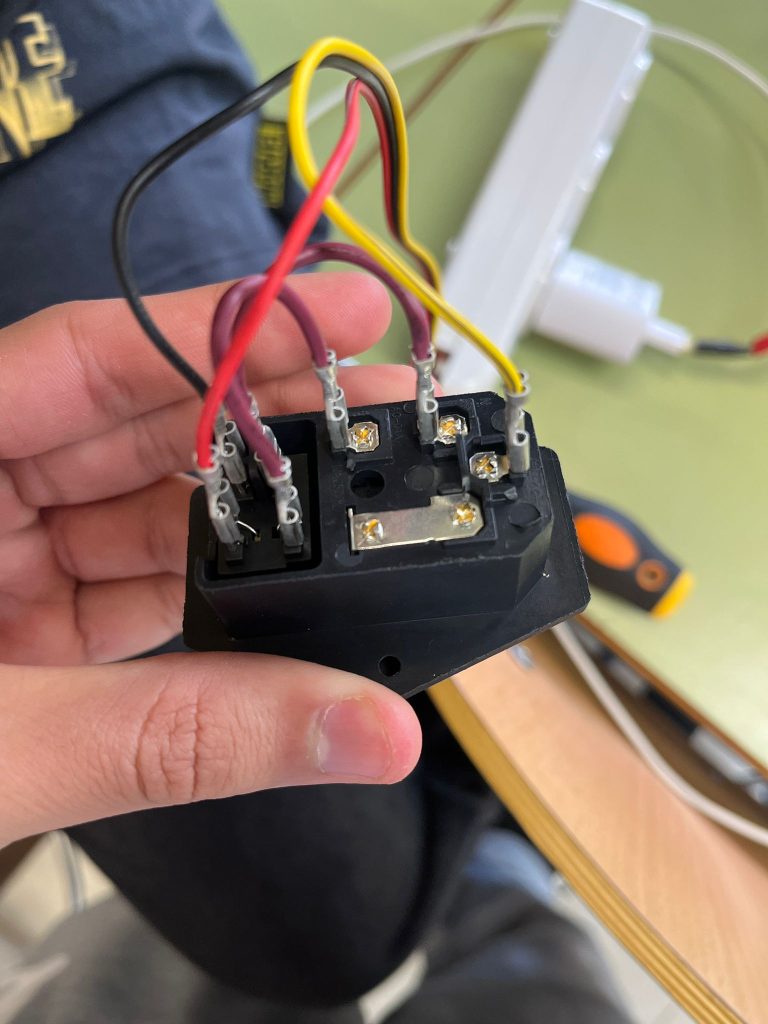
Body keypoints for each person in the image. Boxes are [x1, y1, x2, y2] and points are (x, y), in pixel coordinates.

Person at [0, 2, 633, 1021]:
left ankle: (498, 866)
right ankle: (503, 871)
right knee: (326, 925)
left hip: (110, 63)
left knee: (328, 918)